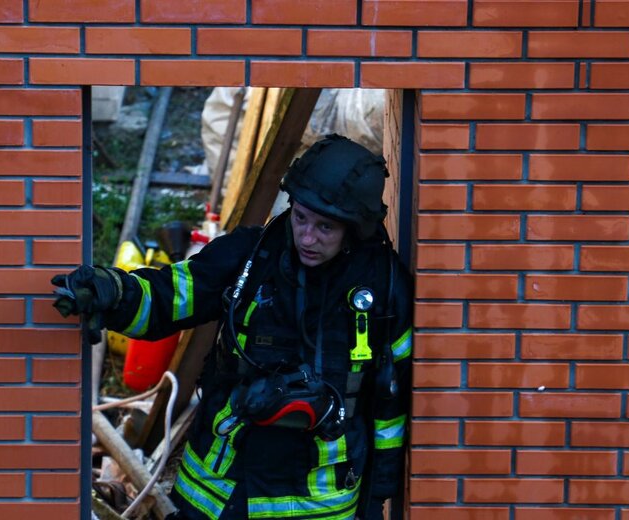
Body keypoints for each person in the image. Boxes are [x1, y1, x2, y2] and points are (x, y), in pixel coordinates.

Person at [52, 134, 413, 520]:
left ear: (354, 229)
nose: (307, 237)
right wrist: (113, 292)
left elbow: (390, 405)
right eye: (300, 218)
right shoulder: (251, 257)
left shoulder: (382, 289)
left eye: (325, 227)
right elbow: (170, 296)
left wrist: (377, 497)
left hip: (317, 502)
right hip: (217, 487)